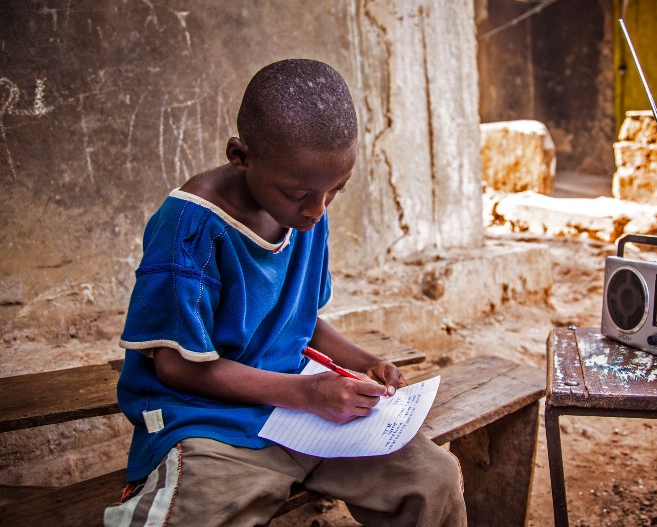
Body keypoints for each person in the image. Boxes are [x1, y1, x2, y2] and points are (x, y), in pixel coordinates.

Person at [103, 59, 467, 527]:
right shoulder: (190, 228)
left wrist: (362, 361)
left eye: (337, 189)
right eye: (299, 193)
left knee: (431, 479)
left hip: (300, 415)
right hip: (208, 423)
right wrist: (308, 392)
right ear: (240, 155)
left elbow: (299, 319)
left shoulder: (305, 207)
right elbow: (175, 365)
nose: (317, 209)